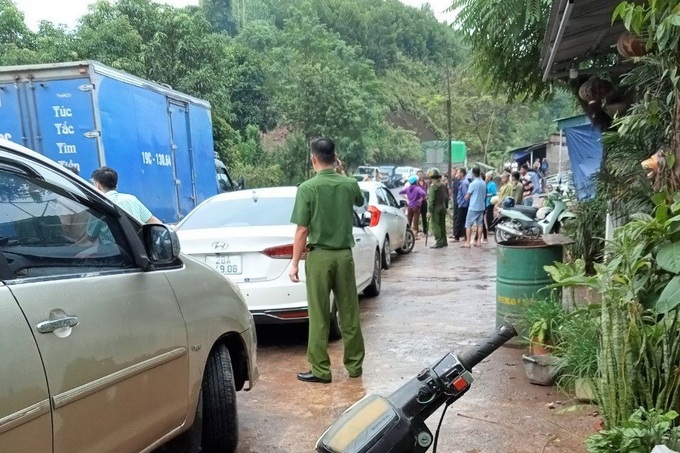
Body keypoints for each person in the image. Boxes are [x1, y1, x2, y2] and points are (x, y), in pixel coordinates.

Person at [289, 138, 365, 384]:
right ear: (335, 158)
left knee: (319, 314)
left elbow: (302, 230)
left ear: (313, 159)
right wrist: (342, 173)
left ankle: (321, 370)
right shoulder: (349, 184)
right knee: (349, 312)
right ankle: (354, 367)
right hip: (344, 256)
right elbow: (360, 201)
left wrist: (294, 263)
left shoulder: (307, 188)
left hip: (319, 256)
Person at [90, 166, 161, 224]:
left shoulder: (99, 205)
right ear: (116, 186)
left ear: (98, 186)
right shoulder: (132, 199)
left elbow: (91, 236)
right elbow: (153, 221)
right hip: (136, 241)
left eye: (93, 184)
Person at [462, 167, 486, 248]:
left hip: (473, 207)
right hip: (481, 206)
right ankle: (479, 241)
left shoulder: (472, 184)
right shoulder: (483, 183)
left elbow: (468, 195)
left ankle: (468, 242)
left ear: (473, 174)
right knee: (480, 224)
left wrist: (465, 196)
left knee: (468, 224)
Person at [427, 167, 448, 248]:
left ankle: (439, 242)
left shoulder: (433, 187)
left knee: (435, 226)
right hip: (442, 207)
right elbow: (446, 197)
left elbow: (431, 200)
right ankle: (444, 241)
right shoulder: (443, 185)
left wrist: (429, 211)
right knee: (442, 225)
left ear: (432, 178)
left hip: (435, 208)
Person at [453, 168, 469, 242]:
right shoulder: (463, 182)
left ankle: (457, 237)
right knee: (463, 220)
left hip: (463, 205)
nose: (457, 174)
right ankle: (464, 236)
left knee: (459, 220)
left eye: (458, 173)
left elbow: (466, 195)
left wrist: (462, 203)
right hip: (462, 204)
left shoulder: (464, 183)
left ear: (462, 174)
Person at [483, 171, 497, 242]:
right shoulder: (486, 183)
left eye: (487, 177)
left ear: (490, 177)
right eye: (486, 177)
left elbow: (494, 193)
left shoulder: (492, 184)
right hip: (486, 201)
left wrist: (487, 195)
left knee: (489, 215)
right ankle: (490, 228)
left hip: (490, 201)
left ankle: (491, 228)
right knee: (487, 215)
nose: (486, 178)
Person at [415, 170, 429, 238]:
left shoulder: (425, 183)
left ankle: (425, 231)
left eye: (421, 174)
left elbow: (427, 192)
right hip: (418, 202)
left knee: (424, 217)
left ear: (423, 175)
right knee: (417, 217)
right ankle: (416, 231)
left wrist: (426, 197)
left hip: (424, 202)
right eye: (418, 174)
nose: (420, 175)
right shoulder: (416, 184)